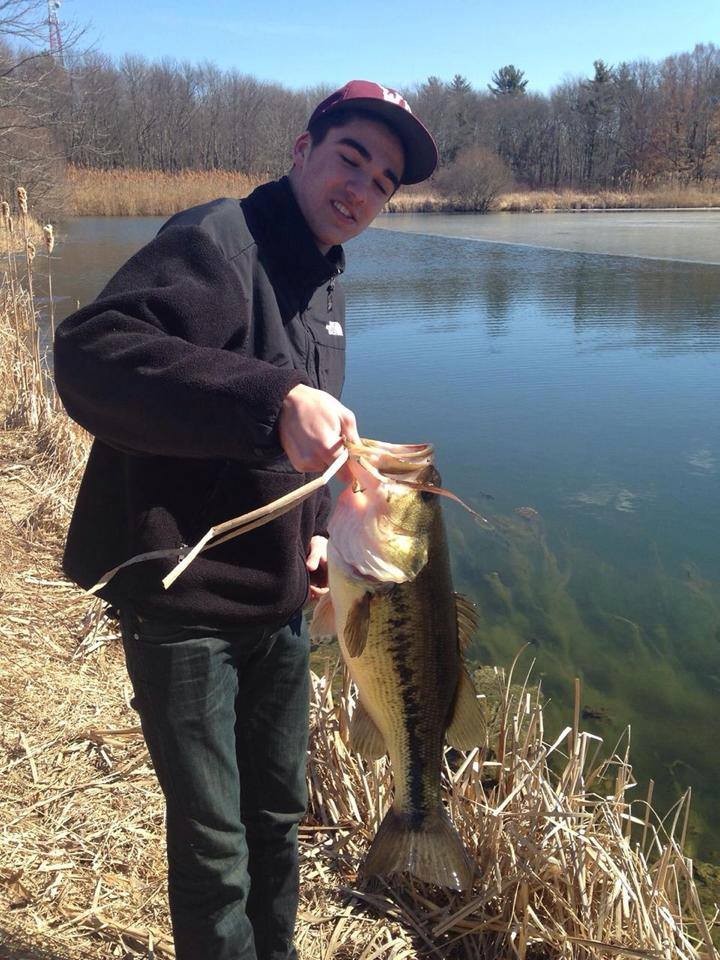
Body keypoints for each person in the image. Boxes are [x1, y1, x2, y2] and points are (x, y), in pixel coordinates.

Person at [53, 80, 437, 960]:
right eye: (350, 160)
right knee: (214, 847)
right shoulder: (217, 243)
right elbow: (90, 355)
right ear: (303, 150)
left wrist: (317, 530)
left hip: (279, 606)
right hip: (185, 607)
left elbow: (291, 450)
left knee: (276, 819)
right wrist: (276, 400)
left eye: (382, 183)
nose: (361, 190)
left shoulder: (325, 282)